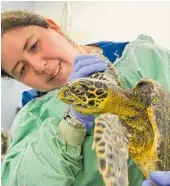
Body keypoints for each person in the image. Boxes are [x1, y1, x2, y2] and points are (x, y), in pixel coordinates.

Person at [1, 10, 170, 186]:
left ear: (54, 27)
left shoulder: (146, 58)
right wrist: (71, 126)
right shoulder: (32, 119)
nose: (39, 66)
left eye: (34, 45)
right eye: (22, 69)